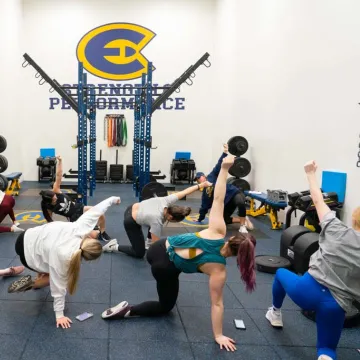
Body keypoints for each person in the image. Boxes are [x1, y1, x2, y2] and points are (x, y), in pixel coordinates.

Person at [101, 155, 257, 353]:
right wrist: (218, 335)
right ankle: (128, 310)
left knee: (175, 265)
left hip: (159, 249)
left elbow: (218, 198)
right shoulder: (219, 270)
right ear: (238, 256)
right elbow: (217, 304)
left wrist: (225, 168)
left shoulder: (218, 231)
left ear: (231, 240)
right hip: (164, 267)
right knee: (165, 307)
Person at [265, 160, 360, 360]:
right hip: (337, 305)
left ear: (354, 219)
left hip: (306, 291)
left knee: (281, 273)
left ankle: (275, 313)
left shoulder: (335, 228)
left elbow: (318, 201)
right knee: (326, 350)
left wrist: (310, 173)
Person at [7, 196, 121, 329]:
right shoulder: (65, 259)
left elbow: (96, 210)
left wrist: (112, 200)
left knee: (49, 258)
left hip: (28, 236)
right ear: (87, 258)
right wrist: (59, 315)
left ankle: (38, 276)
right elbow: (58, 287)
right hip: (28, 257)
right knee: (51, 275)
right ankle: (32, 284)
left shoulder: (80, 227)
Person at [102, 180, 213, 258]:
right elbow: (157, 247)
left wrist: (202, 185)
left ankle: (147, 242)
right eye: (174, 221)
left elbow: (185, 192)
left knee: (152, 228)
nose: (172, 222)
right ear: (170, 216)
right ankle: (113, 246)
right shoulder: (157, 221)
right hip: (130, 221)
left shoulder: (167, 200)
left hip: (132, 207)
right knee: (139, 253)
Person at [40, 155, 111, 241]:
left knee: (100, 213)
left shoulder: (56, 190)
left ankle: (102, 232)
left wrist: (60, 161)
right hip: (73, 218)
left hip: (79, 208)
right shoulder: (49, 208)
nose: (55, 196)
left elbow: (59, 175)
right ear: (50, 202)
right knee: (92, 236)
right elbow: (50, 222)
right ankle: (95, 233)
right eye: (54, 198)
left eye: (54, 195)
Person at [194, 143, 253, 233]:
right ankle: (244, 219)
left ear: (203, 176)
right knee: (224, 220)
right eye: (197, 180)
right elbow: (204, 207)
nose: (199, 180)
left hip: (233, 193)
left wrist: (225, 152)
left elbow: (219, 165)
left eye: (199, 177)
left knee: (240, 202)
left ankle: (242, 226)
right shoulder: (205, 193)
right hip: (226, 203)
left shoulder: (212, 176)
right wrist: (199, 219)